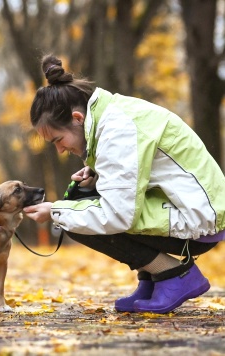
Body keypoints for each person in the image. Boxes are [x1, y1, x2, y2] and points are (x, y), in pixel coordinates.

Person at [23, 54, 225, 314]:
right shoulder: (111, 118)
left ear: (77, 118)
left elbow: (119, 215)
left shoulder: (118, 130)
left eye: (58, 140)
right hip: (190, 207)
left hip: (199, 221)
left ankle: (173, 274)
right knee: (78, 202)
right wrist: (94, 181)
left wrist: (54, 211)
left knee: (71, 215)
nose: (61, 150)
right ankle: (152, 280)